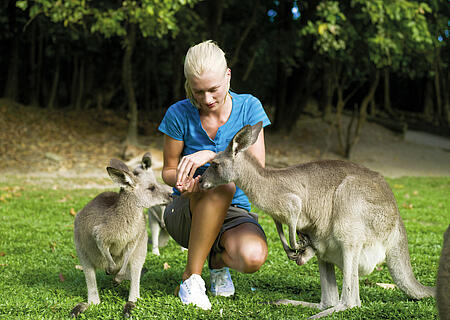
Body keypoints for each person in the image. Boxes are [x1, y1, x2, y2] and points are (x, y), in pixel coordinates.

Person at [158, 40, 271, 310]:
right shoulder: (178, 114)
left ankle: (217, 262)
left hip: (235, 213)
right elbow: (167, 171)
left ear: (228, 76)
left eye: (213, 89)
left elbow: (257, 170)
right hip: (186, 209)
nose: (206, 99)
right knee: (219, 186)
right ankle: (191, 278)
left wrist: (210, 156)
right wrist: (183, 183)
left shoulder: (249, 108)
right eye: (198, 92)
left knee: (252, 256)